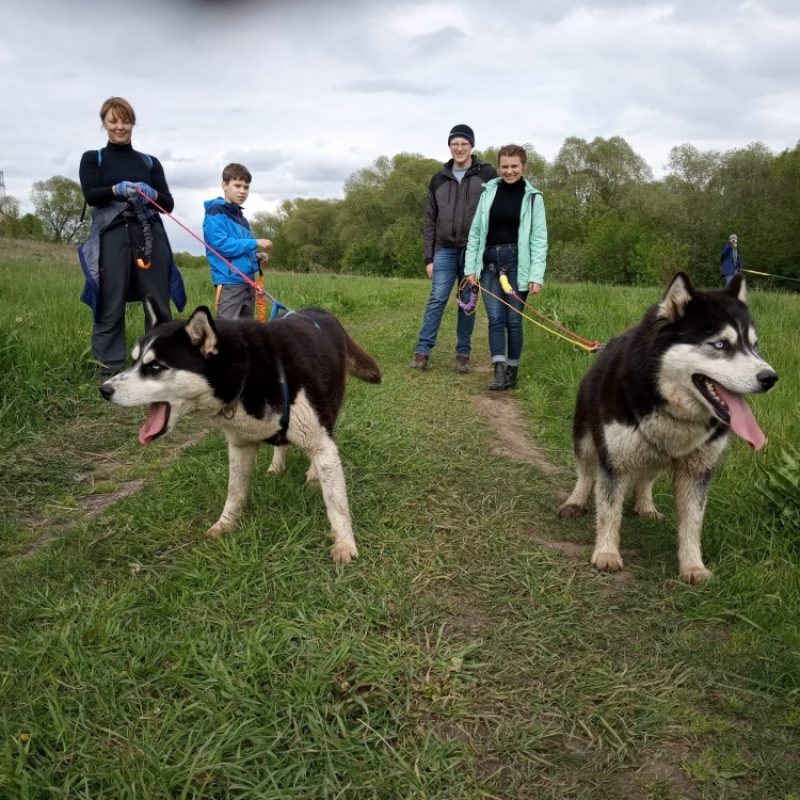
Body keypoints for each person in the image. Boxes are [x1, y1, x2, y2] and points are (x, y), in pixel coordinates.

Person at [78, 96, 185, 377]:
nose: (120, 127)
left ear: (133, 123)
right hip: (112, 234)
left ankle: (159, 365)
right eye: (113, 121)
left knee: (157, 302)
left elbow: (167, 203)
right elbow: (92, 195)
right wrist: (116, 190)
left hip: (150, 235)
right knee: (110, 302)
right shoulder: (93, 158)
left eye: (125, 121)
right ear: (104, 123)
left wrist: (152, 193)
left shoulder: (149, 162)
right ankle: (108, 369)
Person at [409, 124, 498, 373]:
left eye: (464, 143)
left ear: (471, 146)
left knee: (467, 300)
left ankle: (463, 353)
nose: (459, 148)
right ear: (449, 146)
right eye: (455, 144)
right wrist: (429, 258)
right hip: (444, 249)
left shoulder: (487, 174)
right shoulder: (438, 179)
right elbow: (430, 220)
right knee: (437, 297)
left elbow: (497, 209)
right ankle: (422, 351)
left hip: (473, 250)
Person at [464, 144, 548, 390]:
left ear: (523, 166)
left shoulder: (533, 198)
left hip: (517, 264)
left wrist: (536, 275)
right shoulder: (488, 193)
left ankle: (513, 370)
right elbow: (475, 233)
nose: (509, 171)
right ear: (499, 167)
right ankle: (498, 371)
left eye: (514, 166)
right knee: (495, 318)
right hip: (489, 264)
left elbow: (539, 239)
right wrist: (470, 268)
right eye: (505, 166)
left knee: (513, 320)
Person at [203, 163, 273, 320]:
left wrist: (256, 256)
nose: (242, 191)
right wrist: (255, 242)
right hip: (230, 282)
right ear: (224, 185)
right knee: (226, 329)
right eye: (237, 185)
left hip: (248, 281)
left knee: (246, 329)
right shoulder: (216, 211)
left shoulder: (242, 219)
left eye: (246, 187)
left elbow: (242, 249)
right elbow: (221, 245)